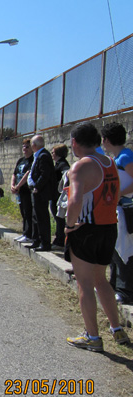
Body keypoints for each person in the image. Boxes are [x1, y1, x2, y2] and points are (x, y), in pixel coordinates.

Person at [64, 122, 130, 351]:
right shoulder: (109, 162)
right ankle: (116, 328)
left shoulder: (81, 166)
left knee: (85, 284)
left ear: (74, 142)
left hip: (87, 229)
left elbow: (75, 200)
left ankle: (92, 337)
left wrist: (69, 225)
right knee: (101, 280)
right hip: (108, 227)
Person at [101, 122, 133, 305]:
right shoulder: (117, 157)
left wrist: (119, 194)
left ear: (106, 140)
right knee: (115, 249)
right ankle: (114, 285)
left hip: (126, 209)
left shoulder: (125, 157)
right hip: (118, 209)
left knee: (125, 250)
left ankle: (125, 290)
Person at [26, 135, 55, 252]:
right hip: (37, 192)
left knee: (42, 218)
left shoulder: (43, 156)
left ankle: (45, 243)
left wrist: (37, 186)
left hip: (41, 193)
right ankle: (36, 240)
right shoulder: (39, 155)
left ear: (34, 145)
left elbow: (45, 174)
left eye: (31, 144)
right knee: (36, 217)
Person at [12, 139, 34, 243]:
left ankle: (29, 234)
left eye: (27, 147)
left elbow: (27, 174)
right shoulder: (21, 160)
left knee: (28, 212)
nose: (25, 149)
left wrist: (18, 186)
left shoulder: (32, 160)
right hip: (19, 191)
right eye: (24, 146)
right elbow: (14, 173)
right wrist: (13, 185)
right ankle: (25, 233)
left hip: (27, 191)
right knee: (23, 212)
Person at [50, 144, 71, 247]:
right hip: (54, 195)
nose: (52, 154)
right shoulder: (58, 163)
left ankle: (60, 240)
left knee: (59, 218)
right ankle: (58, 237)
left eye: (53, 152)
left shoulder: (62, 164)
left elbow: (67, 173)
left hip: (58, 195)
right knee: (57, 218)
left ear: (58, 153)